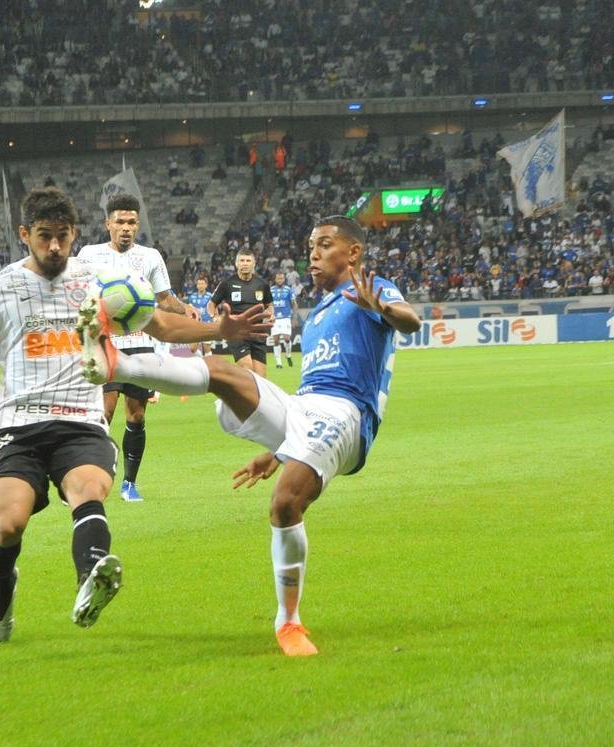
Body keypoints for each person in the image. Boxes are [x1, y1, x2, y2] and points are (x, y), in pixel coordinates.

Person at [0, 187, 269, 643]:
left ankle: (89, 580)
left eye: (61, 236)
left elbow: (160, 323)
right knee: (9, 522)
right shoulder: (0, 288)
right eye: (43, 236)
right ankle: (3, 584)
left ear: (75, 233)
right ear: (24, 234)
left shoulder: (99, 285)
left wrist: (217, 328)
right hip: (18, 423)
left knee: (90, 488)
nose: (54, 246)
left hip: (80, 418)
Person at [76, 216, 421, 657]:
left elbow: (409, 321)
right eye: (310, 246)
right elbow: (309, 400)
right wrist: (279, 450)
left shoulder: (371, 290)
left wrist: (383, 308)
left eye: (324, 245)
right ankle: (113, 365)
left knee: (284, 502)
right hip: (307, 409)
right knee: (224, 372)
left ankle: (289, 622)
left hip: (350, 415)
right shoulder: (316, 315)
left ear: (353, 252)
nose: (312, 254)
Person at [76, 193, 198, 503]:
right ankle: (93, 476)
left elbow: (164, 299)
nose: (126, 228)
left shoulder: (150, 256)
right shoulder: (89, 255)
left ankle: (129, 483)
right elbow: (74, 291)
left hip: (141, 344)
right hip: (105, 341)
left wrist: (185, 309)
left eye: (131, 222)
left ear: (138, 224)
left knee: (136, 416)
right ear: (108, 224)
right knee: (103, 412)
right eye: (120, 222)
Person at [209, 249, 272, 375]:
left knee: (261, 379)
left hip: (258, 333)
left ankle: (232, 393)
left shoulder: (262, 284)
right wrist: (214, 316)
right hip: (237, 332)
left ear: (254, 264)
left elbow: (269, 305)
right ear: (236, 264)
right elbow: (211, 304)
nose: (245, 263)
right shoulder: (227, 283)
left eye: (248, 261)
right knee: (248, 369)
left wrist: (271, 314)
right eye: (242, 260)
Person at [269, 271, 297, 368]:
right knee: (275, 340)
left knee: (287, 339)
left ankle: (288, 355)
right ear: (275, 279)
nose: (280, 280)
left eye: (281, 278)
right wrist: (268, 316)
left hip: (286, 317)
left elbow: (294, 304)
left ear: (284, 279)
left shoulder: (288, 290)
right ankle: (279, 363)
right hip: (275, 318)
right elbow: (268, 304)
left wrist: (294, 318)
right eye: (278, 278)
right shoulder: (271, 290)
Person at [186, 275, 214, 358]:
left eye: (202, 283)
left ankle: (210, 367)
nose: (201, 285)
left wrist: (215, 318)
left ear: (206, 285)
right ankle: (201, 358)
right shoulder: (192, 297)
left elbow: (214, 309)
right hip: (196, 325)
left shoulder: (210, 296)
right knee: (192, 349)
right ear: (197, 285)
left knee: (207, 349)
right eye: (199, 284)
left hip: (207, 324)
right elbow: (189, 311)